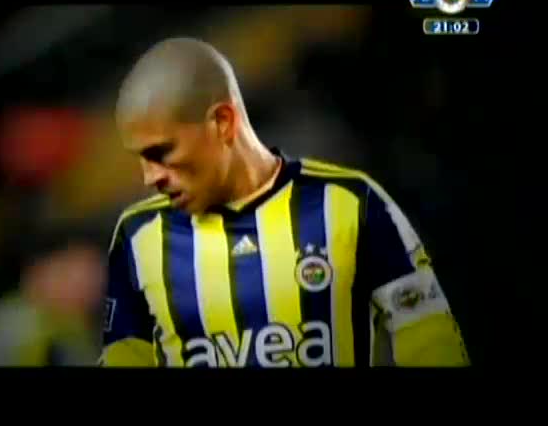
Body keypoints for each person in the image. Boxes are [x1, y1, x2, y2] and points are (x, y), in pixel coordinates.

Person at [101, 37, 469, 367]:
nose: (150, 177)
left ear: (223, 121)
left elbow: (430, 340)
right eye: (141, 158)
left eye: (161, 153)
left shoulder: (350, 203)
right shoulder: (138, 236)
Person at [0, 231, 105, 366]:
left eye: (94, 280)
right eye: (68, 274)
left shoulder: (71, 323)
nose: (89, 289)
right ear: (36, 272)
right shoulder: (16, 326)